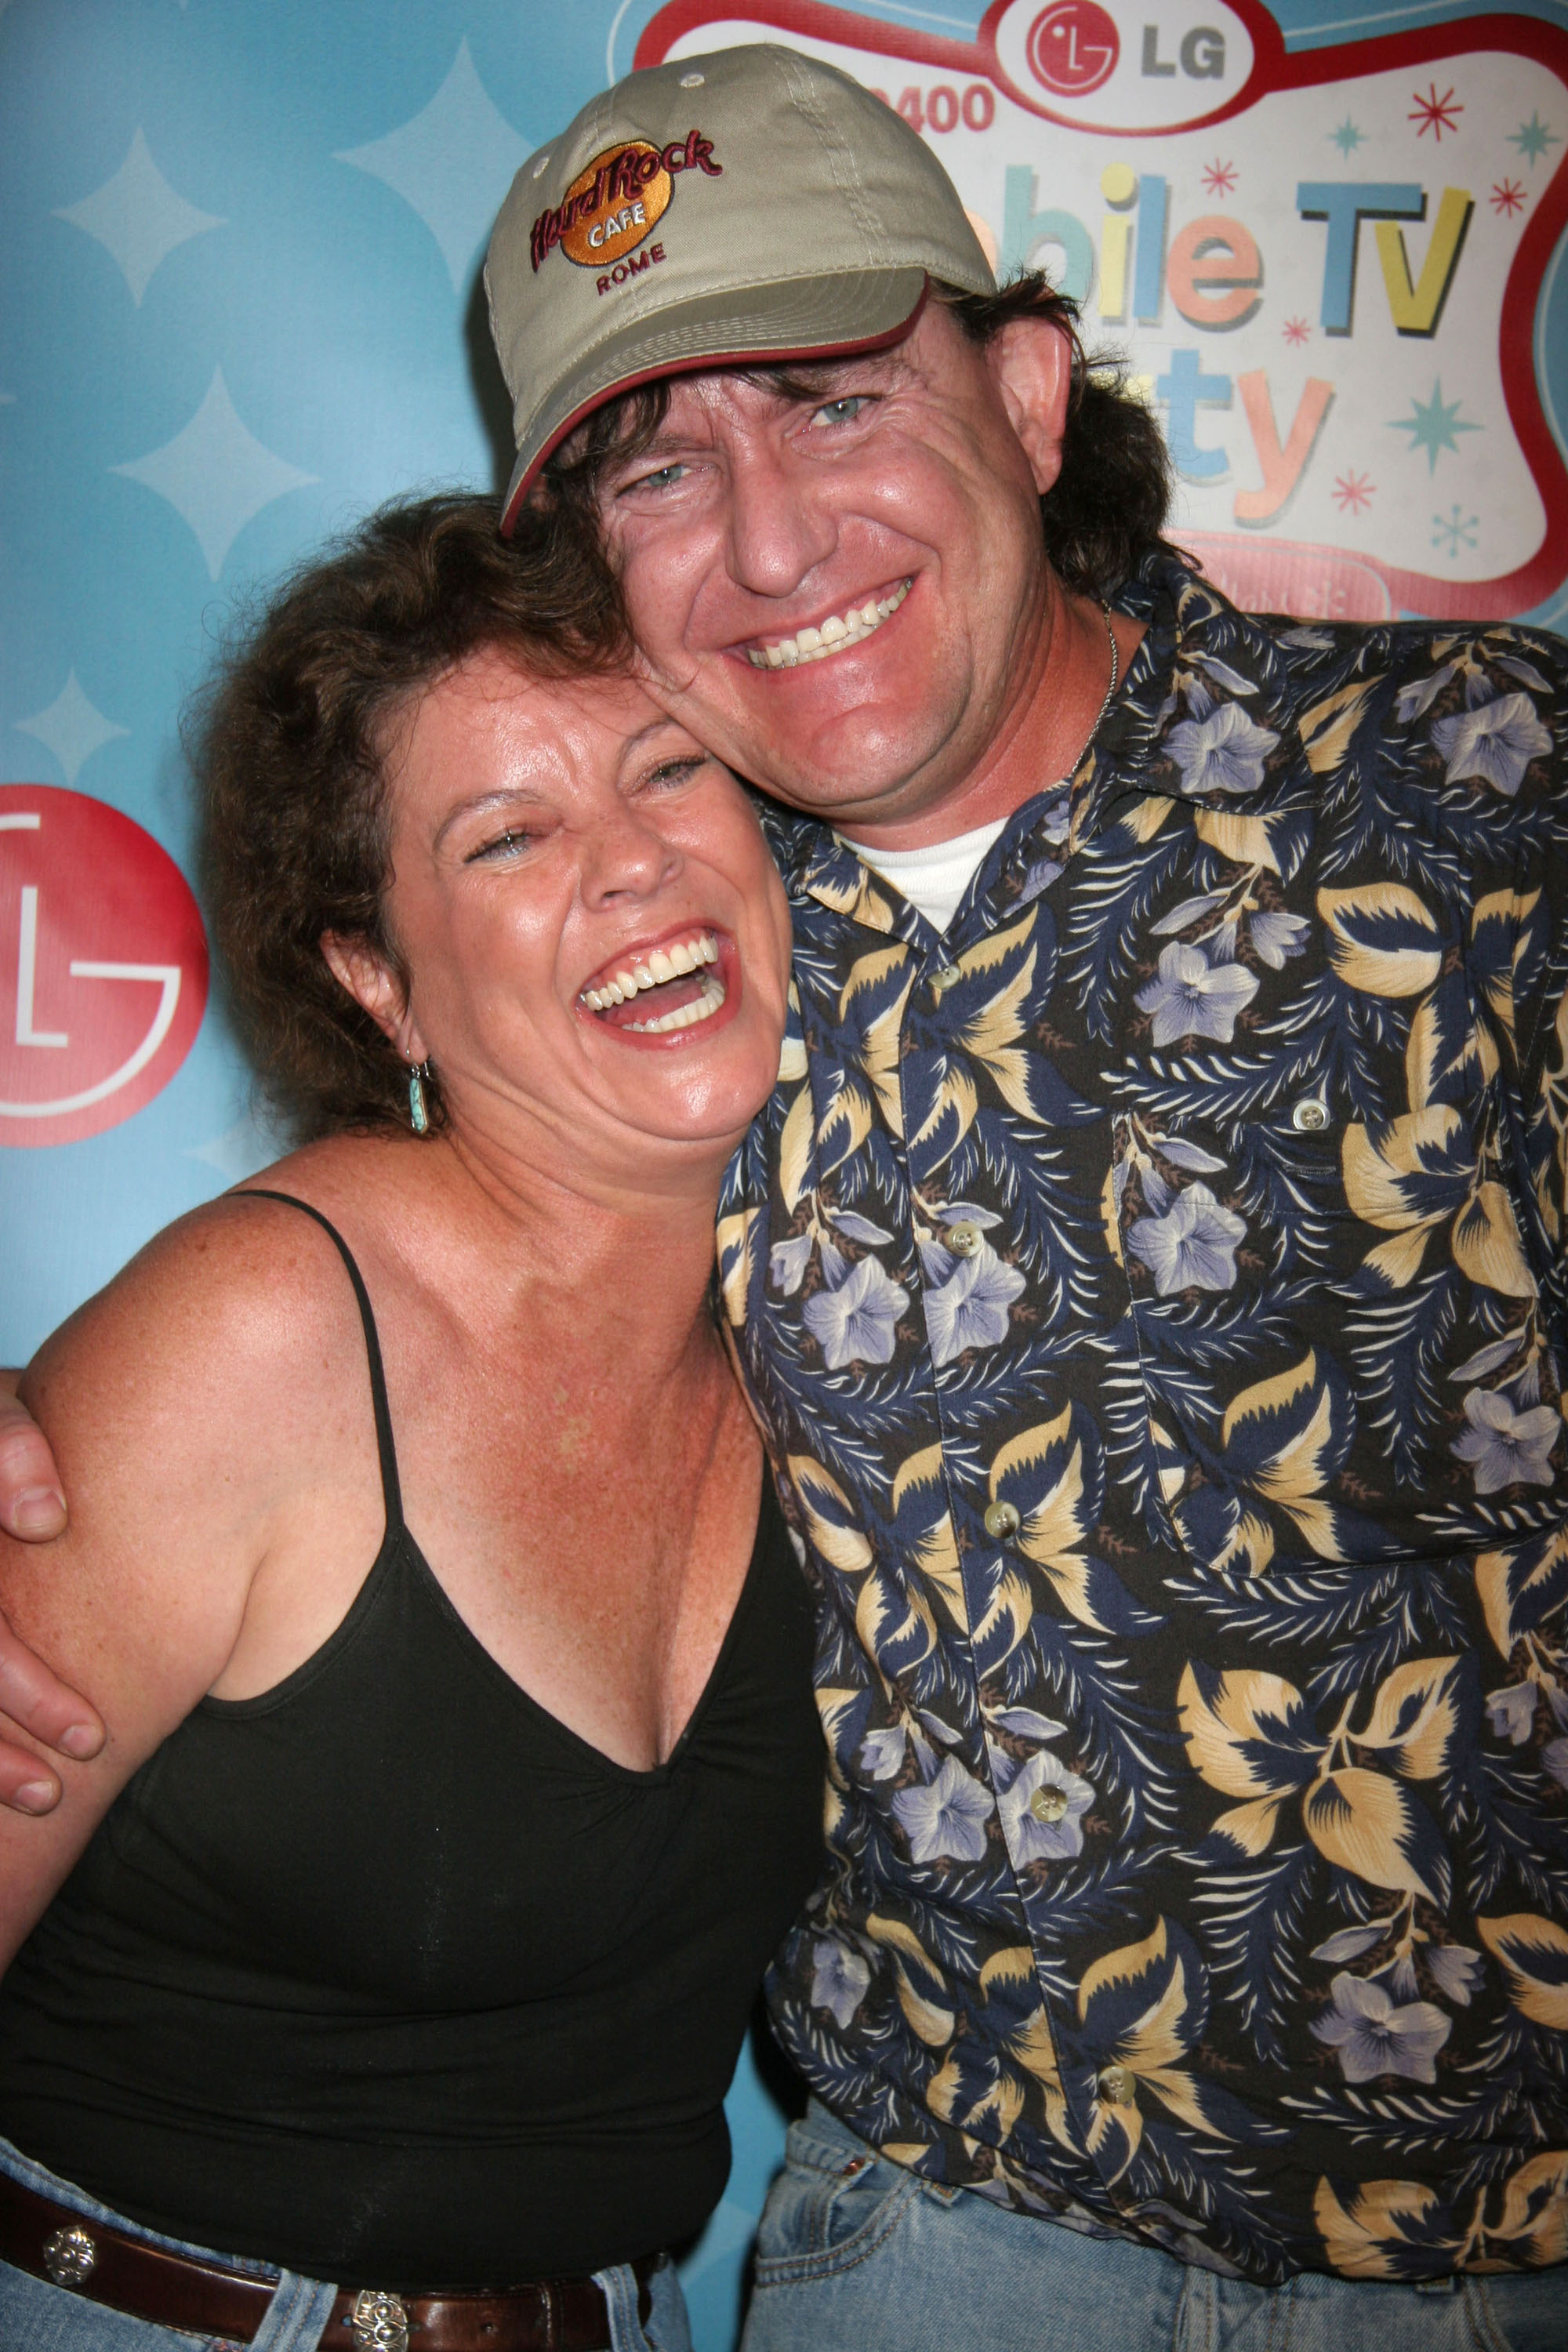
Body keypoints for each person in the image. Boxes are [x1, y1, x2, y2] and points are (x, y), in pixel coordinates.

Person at [4, 41, 1567, 2351]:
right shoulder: (693, 966)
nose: (765, 539)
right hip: (936, 2253)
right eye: (660, 470)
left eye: (835, 401)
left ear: (1028, 399)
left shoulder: (1487, 802)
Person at [0, 490, 823, 2352]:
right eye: (509, 833)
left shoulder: (834, 1334)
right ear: (379, 979)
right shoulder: (265, 1335)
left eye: (669, 774)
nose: (630, 867)